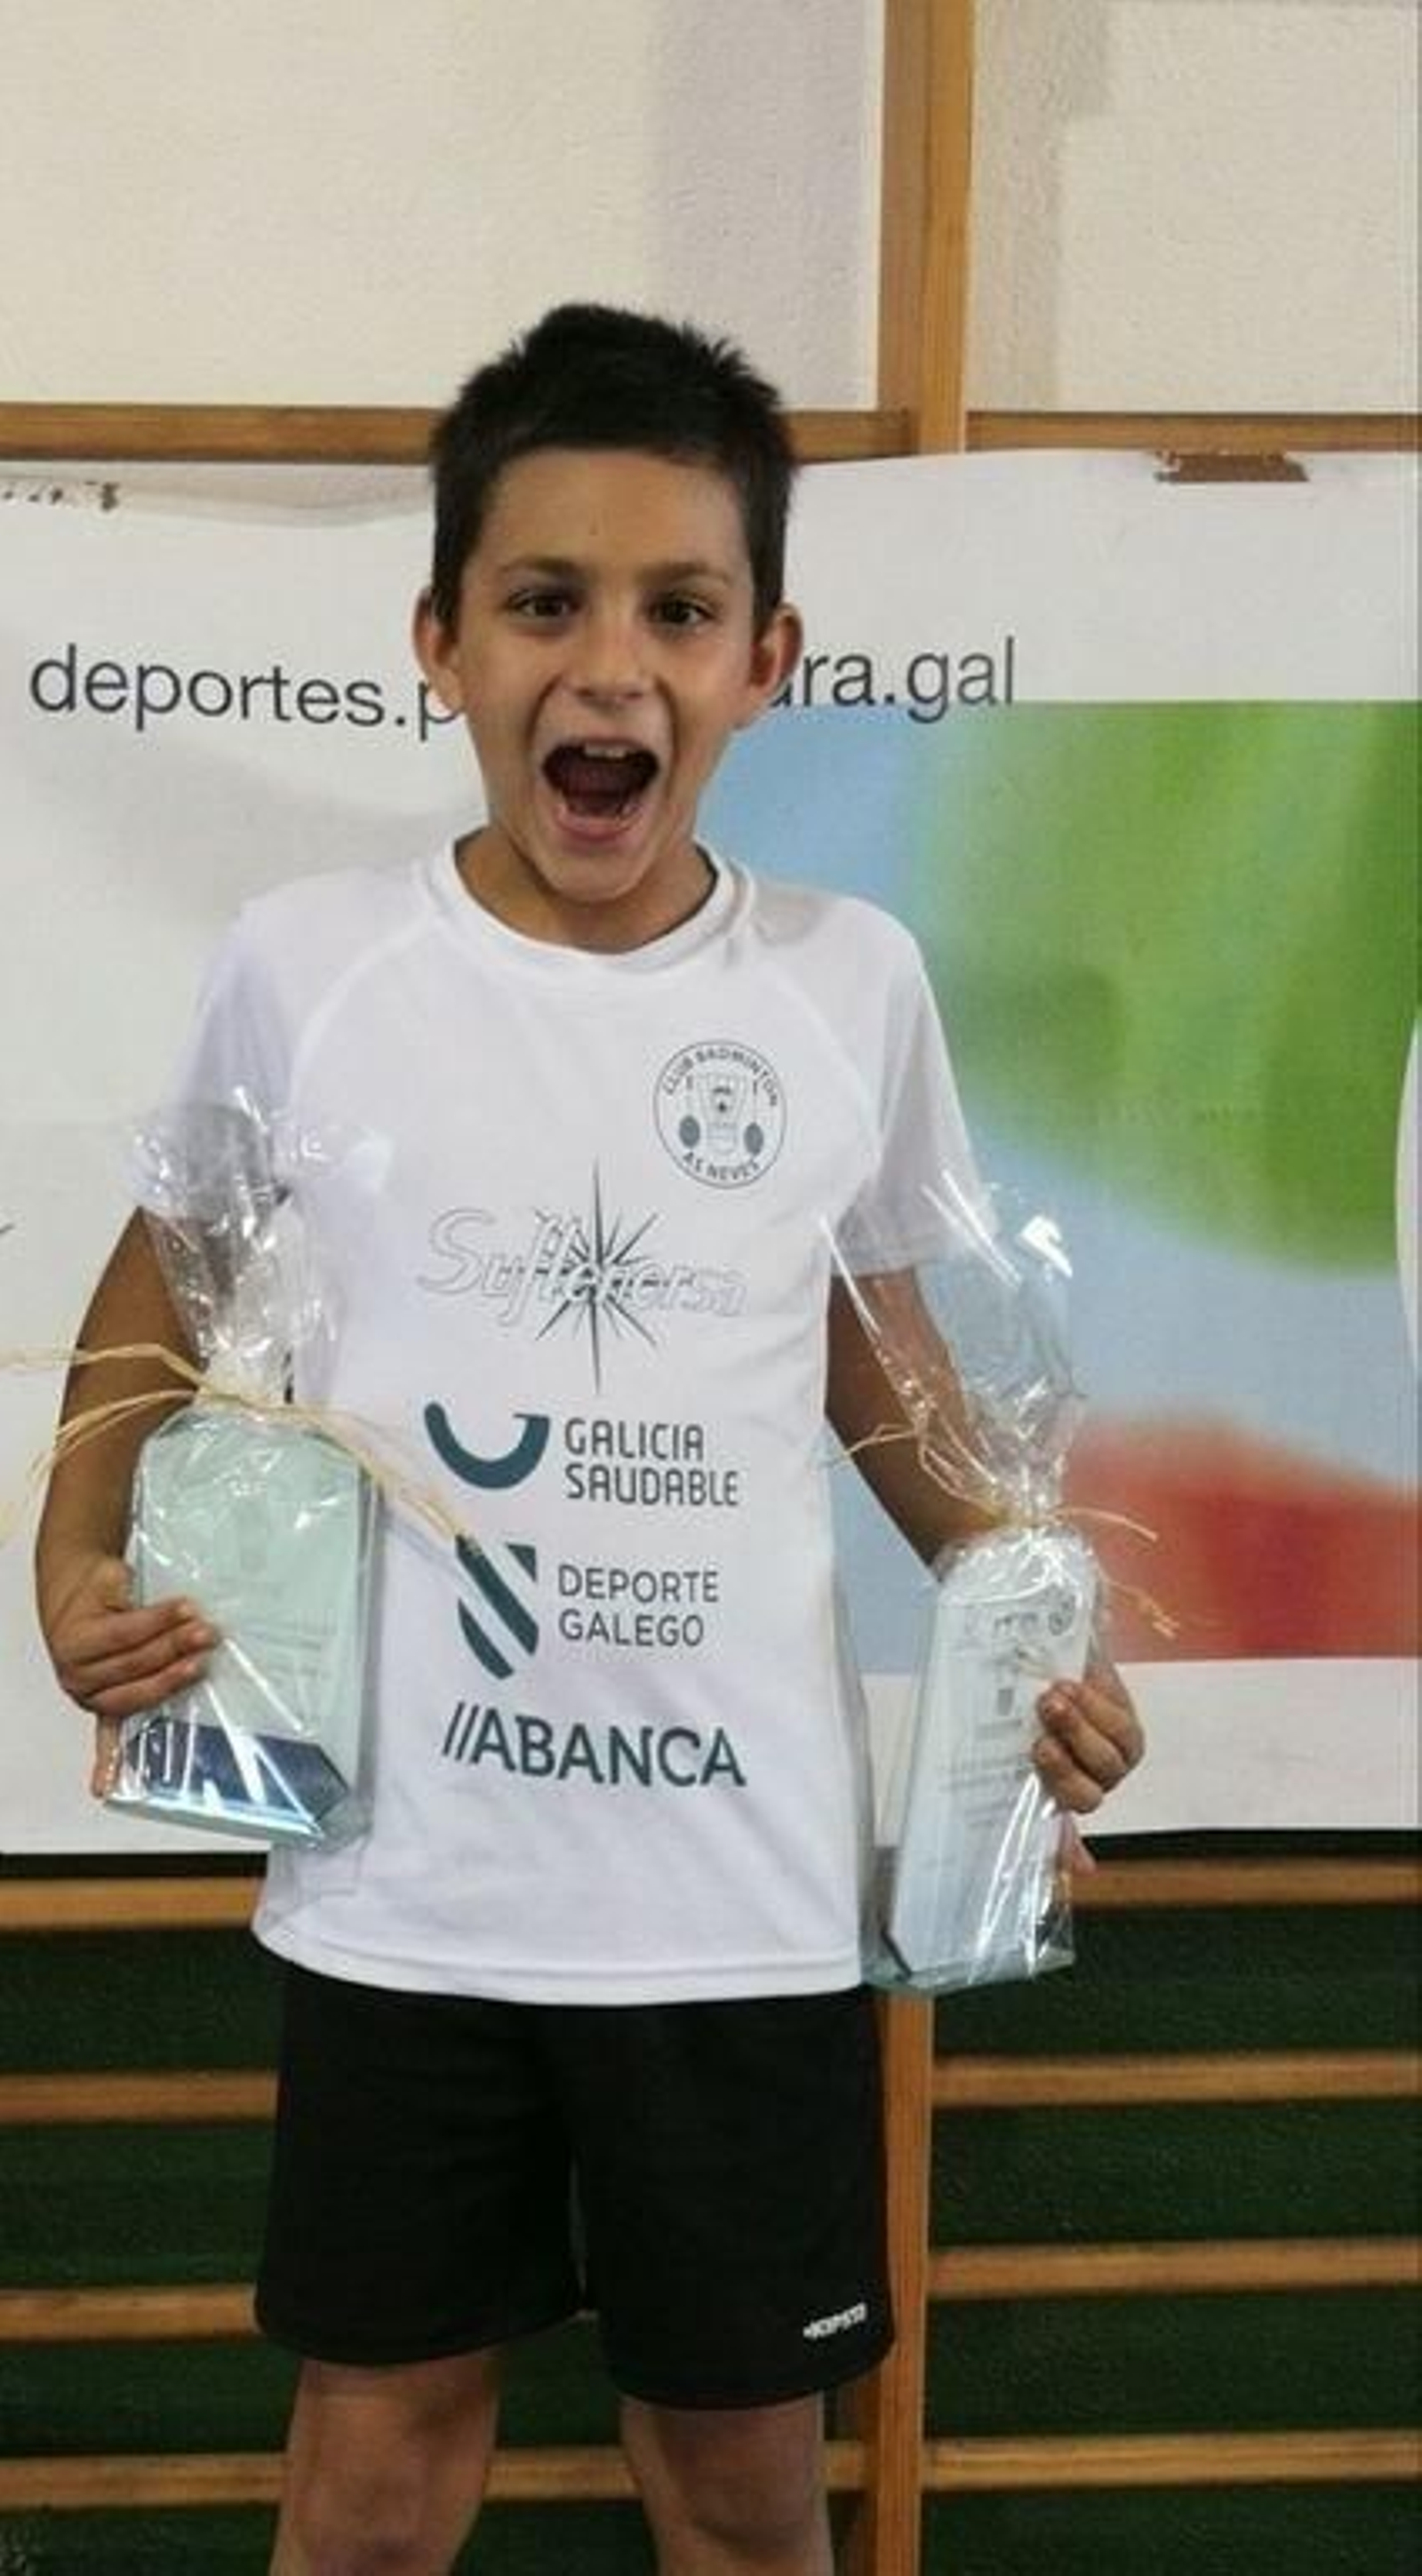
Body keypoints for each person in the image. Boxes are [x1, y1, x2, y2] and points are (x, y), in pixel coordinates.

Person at [35, 306, 1143, 2576]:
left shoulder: (848, 984)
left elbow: (880, 1368)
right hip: (405, 1889)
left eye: (675, 609)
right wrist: (70, 1555)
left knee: (742, 2499)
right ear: (439, 642)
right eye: (543, 602)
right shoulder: (308, 956)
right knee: (372, 2481)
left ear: (764, 657)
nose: (607, 665)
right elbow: (168, 1283)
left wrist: (1017, 1608)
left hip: (730, 1904)